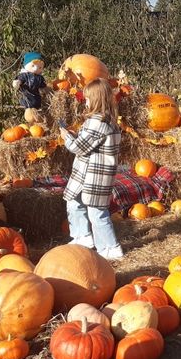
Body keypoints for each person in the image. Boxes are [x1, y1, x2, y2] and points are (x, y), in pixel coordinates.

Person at [60, 79, 124, 260]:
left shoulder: (98, 122)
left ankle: (111, 248)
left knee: (97, 211)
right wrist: (77, 136)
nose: (85, 101)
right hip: (89, 173)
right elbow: (89, 143)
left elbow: (78, 148)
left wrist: (67, 137)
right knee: (74, 201)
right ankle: (83, 237)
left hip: (95, 174)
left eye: (87, 98)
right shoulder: (106, 121)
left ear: (96, 99)